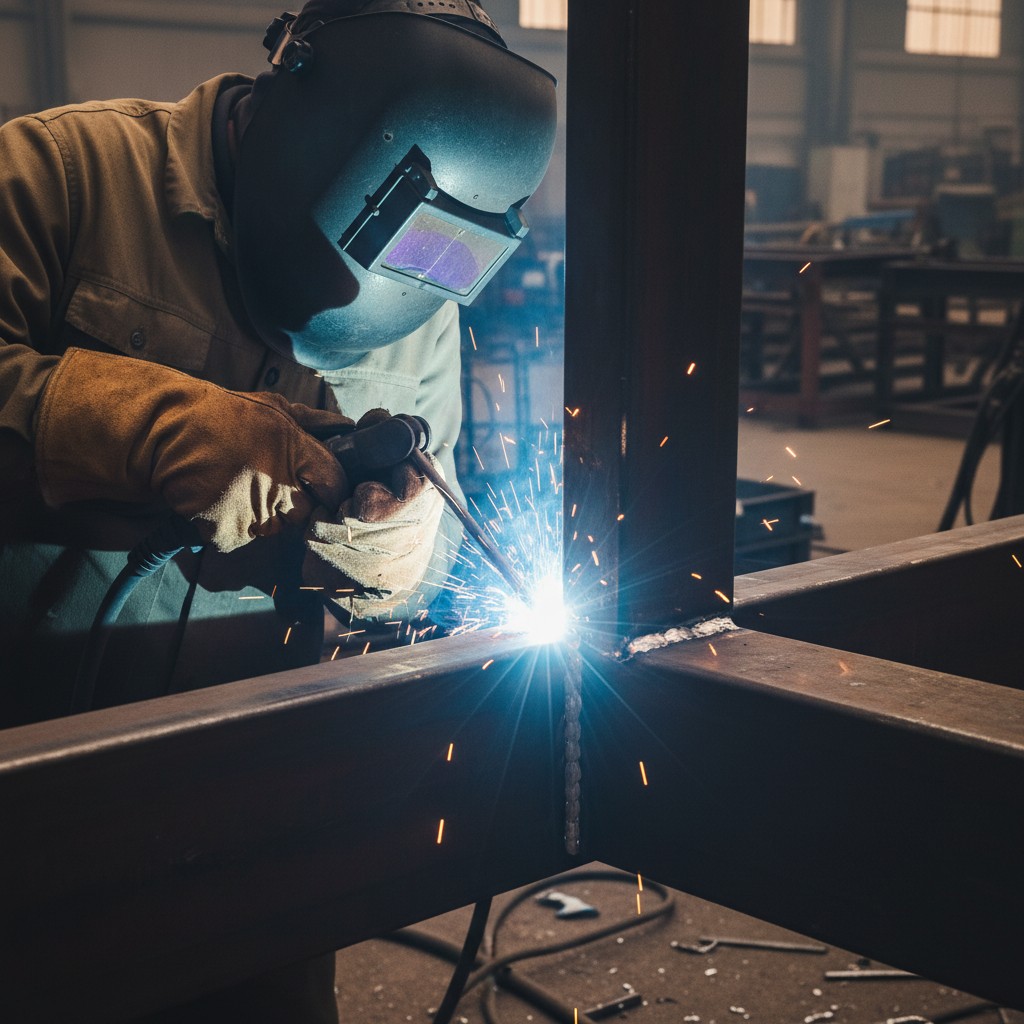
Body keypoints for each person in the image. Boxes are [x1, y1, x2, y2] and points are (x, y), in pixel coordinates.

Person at [0, 0, 556, 1019]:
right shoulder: (58, 178)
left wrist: (397, 544)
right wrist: (122, 420)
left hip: (262, 816)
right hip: (29, 785)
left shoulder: (425, 307)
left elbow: (430, 541)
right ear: (290, 97)